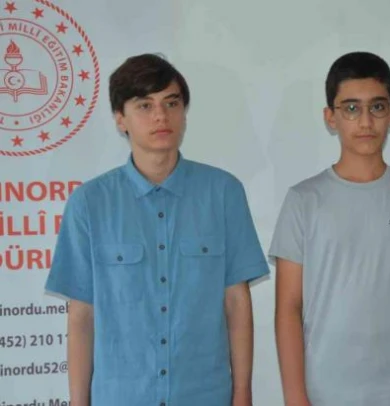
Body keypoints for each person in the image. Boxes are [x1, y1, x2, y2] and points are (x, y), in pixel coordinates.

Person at [44, 53, 269, 406]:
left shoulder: (223, 193)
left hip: (204, 396)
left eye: (171, 103)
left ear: (184, 113)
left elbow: (237, 302)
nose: (161, 116)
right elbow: (81, 316)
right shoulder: (89, 203)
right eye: (144, 105)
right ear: (120, 119)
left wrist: (242, 394)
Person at [270, 51, 390, 406]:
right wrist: (295, 398)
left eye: (377, 107)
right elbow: (288, 308)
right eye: (352, 108)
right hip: (326, 391)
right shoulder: (303, 200)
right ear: (331, 117)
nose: (366, 121)